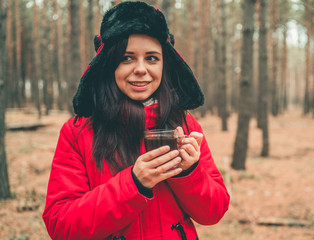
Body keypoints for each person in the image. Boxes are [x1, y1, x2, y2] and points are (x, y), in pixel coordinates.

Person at [42, 1, 230, 240]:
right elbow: (61, 225)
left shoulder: (185, 126)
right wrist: (134, 184)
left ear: (164, 64)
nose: (141, 69)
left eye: (152, 58)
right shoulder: (77, 132)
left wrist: (190, 172)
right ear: (109, 64)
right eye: (127, 58)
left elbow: (214, 212)